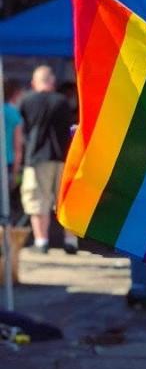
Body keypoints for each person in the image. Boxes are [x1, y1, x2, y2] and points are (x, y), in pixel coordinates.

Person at [18, 66, 76, 254]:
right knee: (66, 201)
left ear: (35, 82)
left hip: (36, 157)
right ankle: (70, 241)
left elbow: (21, 131)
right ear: (52, 82)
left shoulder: (26, 101)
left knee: (37, 201)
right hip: (62, 157)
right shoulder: (62, 102)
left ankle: (41, 242)